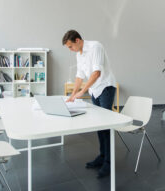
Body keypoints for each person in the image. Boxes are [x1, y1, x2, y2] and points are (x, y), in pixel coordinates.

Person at [63, 30, 117, 178]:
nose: (70, 49)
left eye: (70, 46)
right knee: (100, 125)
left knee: (106, 125)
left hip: (105, 87)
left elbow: (97, 73)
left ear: (78, 40)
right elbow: (80, 76)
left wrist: (82, 92)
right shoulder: (78, 54)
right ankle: (102, 156)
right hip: (94, 91)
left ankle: (109, 162)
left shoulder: (96, 47)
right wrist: (73, 94)